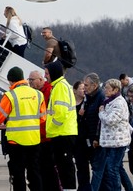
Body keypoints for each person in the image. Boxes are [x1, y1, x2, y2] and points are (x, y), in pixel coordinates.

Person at [0, 67, 44, 191]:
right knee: (34, 172)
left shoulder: (10, 96)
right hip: (34, 140)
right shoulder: (38, 94)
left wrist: (9, 121)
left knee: (18, 174)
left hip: (16, 142)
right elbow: (42, 118)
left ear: (10, 81)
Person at [46, 61, 79, 191]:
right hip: (62, 133)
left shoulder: (60, 87)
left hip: (62, 134)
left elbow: (60, 113)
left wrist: (53, 127)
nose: (45, 76)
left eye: (47, 73)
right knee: (63, 166)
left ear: (54, 73)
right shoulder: (59, 86)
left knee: (66, 167)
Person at [97, 78, 132, 191]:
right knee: (117, 168)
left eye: (107, 88)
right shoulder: (110, 101)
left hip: (117, 141)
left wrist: (101, 112)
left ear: (115, 89)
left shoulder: (119, 102)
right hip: (111, 141)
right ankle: (129, 188)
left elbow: (110, 120)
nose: (105, 90)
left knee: (112, 168)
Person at [78, 74, 102, 189]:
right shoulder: (89, 98)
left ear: (95, 85)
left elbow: (99, 120)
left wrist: (97, 138)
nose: (84, 88)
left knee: (99, 170)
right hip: (89, 138)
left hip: (96, 140)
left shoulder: (100, 97)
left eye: (86, 85)